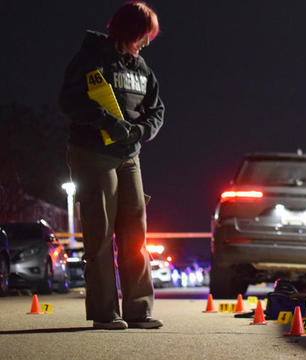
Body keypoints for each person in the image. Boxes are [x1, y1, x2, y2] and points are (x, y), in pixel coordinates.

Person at [59, 1, 165, 330]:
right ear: (131, 31)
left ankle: (139, 311)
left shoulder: (142, 68)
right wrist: (108, 123)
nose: (148, 42)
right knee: (101, 234)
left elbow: (157, 109)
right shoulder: (92, 56)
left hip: (129, 155)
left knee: (135, 233)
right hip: (93, 152)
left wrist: (142, 131)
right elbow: (69, 100)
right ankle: (106, 314)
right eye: (145, 35)